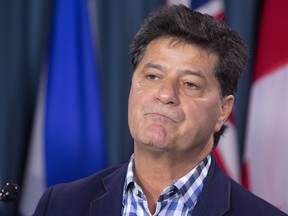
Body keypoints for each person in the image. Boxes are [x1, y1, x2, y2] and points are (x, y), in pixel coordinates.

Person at [33, 4, 287, 216]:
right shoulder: (60, 205)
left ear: (223, 110)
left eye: (190, 84)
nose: (166, 94)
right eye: (153, 76)